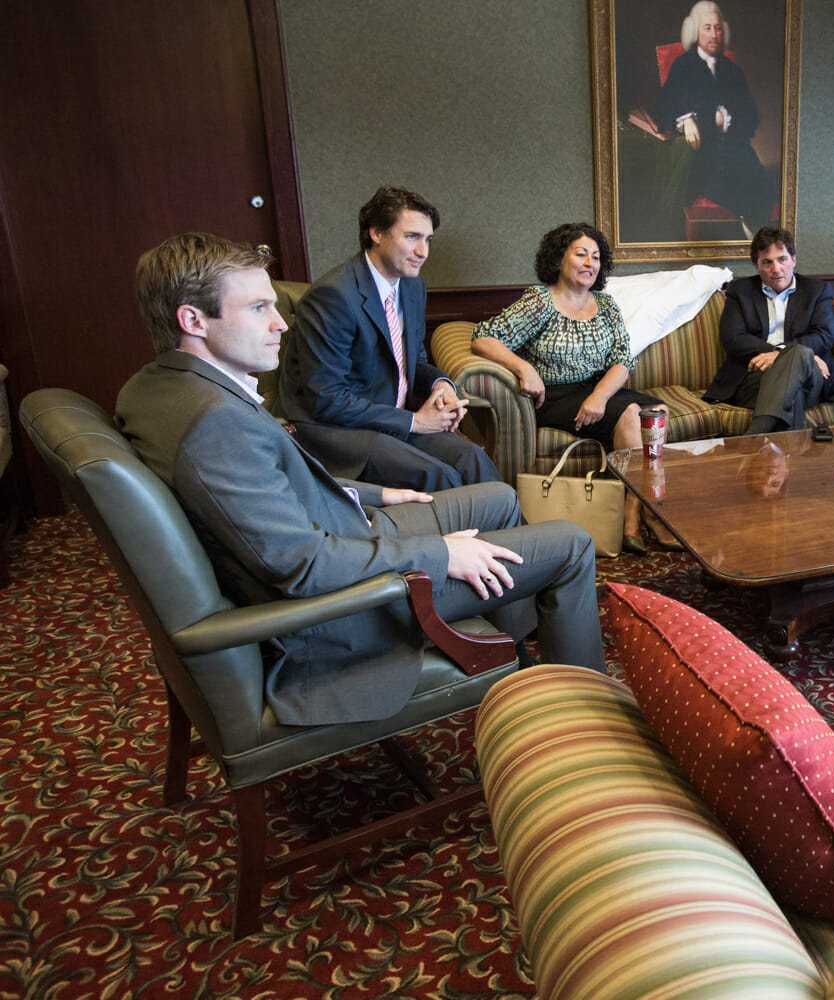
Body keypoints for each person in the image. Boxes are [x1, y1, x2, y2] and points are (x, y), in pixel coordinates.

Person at [117, 233, 604, 728]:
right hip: (345, 606)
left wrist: (379, 493)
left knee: (499, 498)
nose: (280, 322)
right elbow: (304, 567)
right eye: (259, 307)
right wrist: (441, 552)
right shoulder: (215, 423)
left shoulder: (157, 387)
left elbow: (275, 490)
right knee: (571, 544)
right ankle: (586, 723)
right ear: (193, 320)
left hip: (346, 529)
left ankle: (510, 660)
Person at [276, 186, 501, 492]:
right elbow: (326, 398)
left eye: (427, 239)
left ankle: (515, 540)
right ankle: (466, 540)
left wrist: (441, 385)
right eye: (412, 237)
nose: (423, 251)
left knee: (474, 460)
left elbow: (414, 361)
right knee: (439, 476)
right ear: (376, 233)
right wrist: (415, 423)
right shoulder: (334, 296)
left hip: (392, 420)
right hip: (338, 431)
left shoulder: (412, 287)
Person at [470, 222, 670, 553]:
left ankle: (635, 511)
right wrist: (525, 368)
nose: (590, 263)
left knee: (655, 412)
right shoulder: (540, 302)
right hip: (555, 394)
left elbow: (623, 360)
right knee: (633, 414)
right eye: (581, 254)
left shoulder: (605, 305)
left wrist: (599, 396)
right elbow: (484, 337)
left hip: (598, 389)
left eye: (595, 257)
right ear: (559, 259)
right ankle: (643, 518)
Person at [655, 1, 776, 237]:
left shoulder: (732, 70)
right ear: (695, 32)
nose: (714, 34)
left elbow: (751, 115)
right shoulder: (683, 66)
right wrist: (686, 120)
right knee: (736, 190)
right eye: (707, 28)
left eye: (718, 28)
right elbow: (663, 106)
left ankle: (752, 246)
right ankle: (750, 243)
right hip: (699, 158)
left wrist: (727, 119)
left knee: (764, 189)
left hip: (736, 151)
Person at [703, 226, 834, 435]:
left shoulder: (816, 291)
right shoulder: (741, 292)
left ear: (793, 259)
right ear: (756, 266)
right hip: (755, 376)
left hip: (812, 376)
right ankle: (785, 461)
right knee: (793, 387)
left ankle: (753, 439)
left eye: (782, 259)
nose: (776, 269)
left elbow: (824, 334)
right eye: (767, 262)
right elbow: (733, 338)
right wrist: (791, 355)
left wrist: (779, 353)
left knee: (799, 354)